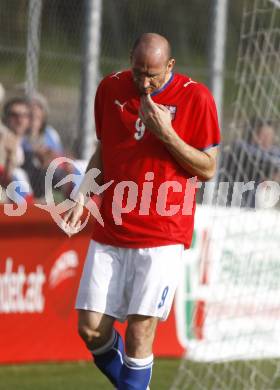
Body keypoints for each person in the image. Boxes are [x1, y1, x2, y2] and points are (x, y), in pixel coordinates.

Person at [63, 33, 220, 389]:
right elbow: (105, 150)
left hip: (162, 233)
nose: (144, 83)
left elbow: (208, 168)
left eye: (153, 75)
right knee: (90, 328)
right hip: (112, 228)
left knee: (139, 332)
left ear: (170, 66)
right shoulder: (110, 89)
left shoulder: (196, 98)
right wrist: (85, 193)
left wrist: (167, 134)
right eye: (138, 73)